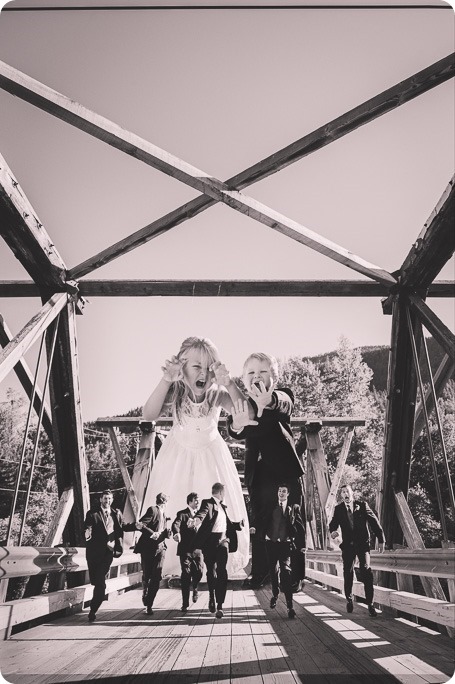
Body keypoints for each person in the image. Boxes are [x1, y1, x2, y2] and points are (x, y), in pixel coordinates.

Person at [142, 336, 249, 577]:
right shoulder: (176, 390)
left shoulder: (217, 394)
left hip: (211, 457)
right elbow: (148, 414)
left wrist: (230, 383)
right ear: (182, 368)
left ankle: (212, 561)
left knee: (213, 509)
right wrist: (165, 379)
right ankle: (174, 563)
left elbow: (246, 414)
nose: (203, 373)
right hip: (177, 457)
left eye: (208, 367)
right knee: (177, 503)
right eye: (196, 366)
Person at [228, 352, 305, 588]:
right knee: (259, 525)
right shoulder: (244, 405)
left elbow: (284, 403)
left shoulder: (282, 396)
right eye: (251, 373)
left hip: (285, 472)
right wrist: (236, 424)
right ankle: (261, 572)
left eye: (263, 372)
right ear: (243, 379)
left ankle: (295, 575)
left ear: (274, 377)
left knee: (292, 521)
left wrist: (269, 401)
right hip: (259, 475)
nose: (256, 376)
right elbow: (234, 429)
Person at [329, 484, 385, 617]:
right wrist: (333, 532)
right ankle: (349, 599)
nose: (345, 494)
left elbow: (374, 522)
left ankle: (370, 604)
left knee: (366, 570)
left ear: (352, 493)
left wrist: (381, 540)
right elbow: (333, 524)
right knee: (347, 572)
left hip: (362, 545)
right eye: (343, 492)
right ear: (341, 495)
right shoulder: (338, 509)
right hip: (348, 546)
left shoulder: (362, 505)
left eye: (347, 491)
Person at [190, 482, 244, 619]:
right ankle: (212, 596)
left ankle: (220, 604)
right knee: (211, 572)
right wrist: (195, 520)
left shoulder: (223, 507)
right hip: (210, 543)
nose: (224, 495)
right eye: (224, 493)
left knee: (222, 571)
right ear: (220, 493)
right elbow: (202, 514)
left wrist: (239, 524)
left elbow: (227, 524)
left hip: (223, 542)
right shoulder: (207, 503)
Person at [124, 492, 173, 615]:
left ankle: (149, 604)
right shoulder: (153, 510)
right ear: (163, 501)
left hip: (161, 548)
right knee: (147, 575)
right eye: (167, 501)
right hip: (148, 548)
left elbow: (161, 531)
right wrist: (152, 533)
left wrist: (168, 533)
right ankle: (145, 588)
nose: (167, 504)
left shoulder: (164, 514)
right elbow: (141, 525)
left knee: (156, 576)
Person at [263, 483, 306, 619]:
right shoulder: (270, 506)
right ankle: (275, 593)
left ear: (288, 494)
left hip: (286, 545)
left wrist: (302, 545)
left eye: (284, 491)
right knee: (273, 571)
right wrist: (258, 531)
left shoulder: (294, 508)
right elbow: (261, 519)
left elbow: (300, 527)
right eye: (279, 491)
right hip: (271, 543)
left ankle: (290, 606)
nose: (281, 493)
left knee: (286, 572)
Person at [84, 489, 124, 622]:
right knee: (96, 581)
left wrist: (137, 526)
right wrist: (87, 533)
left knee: (100, 582)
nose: (108, 501)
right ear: (101, 499)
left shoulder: (116, 513)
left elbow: (122, 527)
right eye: (105, 498)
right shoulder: (92, 513)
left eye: (110, 499)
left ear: (112, 500)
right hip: (94, 553)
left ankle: (93, 610)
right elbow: (87, 526)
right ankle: (95, 605)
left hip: (108, 553)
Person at [172, 492, 204, 612]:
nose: (198, 502)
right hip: (185, 550)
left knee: (199, 572)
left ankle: (195, 587)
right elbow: (176, 524)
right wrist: (176, 533)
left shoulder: (201, 515)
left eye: (198, 500)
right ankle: (185, 603)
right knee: (186, 574)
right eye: (196, 500)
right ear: (190, 501)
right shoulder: (182, 514)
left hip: (198, 550)